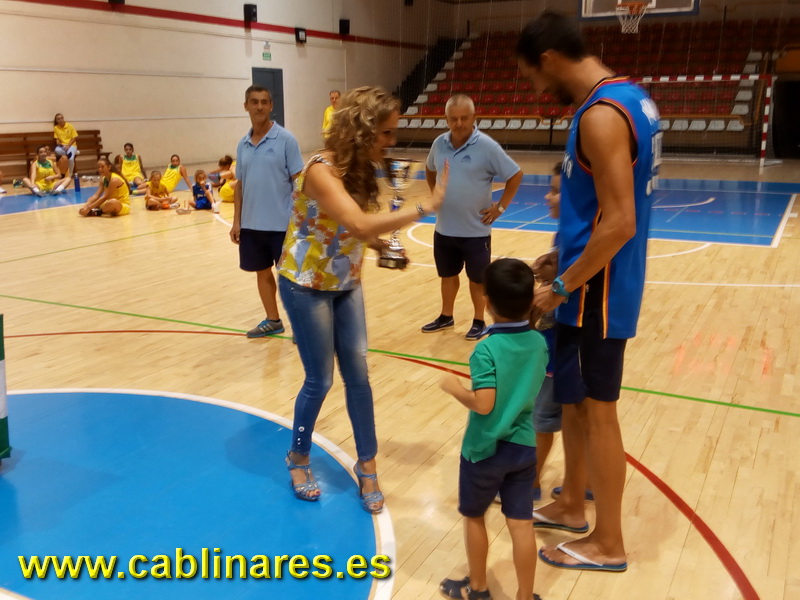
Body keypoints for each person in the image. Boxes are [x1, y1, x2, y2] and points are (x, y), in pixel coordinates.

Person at [517, 9, 660, 572]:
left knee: (599, 413)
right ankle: (574, 503)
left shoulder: (600, 116)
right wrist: (565, 254)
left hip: (596, 291)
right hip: (593, 278)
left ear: (549, 58)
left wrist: (561, 284)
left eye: (533, 76)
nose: (537, 89)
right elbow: (600, 209)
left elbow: (620, 221)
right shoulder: (631, 98)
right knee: (575, 405)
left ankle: (609, 543)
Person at [276, 86, 447, 512]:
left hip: (346, 282)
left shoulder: (359, 171)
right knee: (320, 380)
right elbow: (357, 223)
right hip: (306, 284)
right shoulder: (320, 170)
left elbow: (351, 229)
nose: (392, 141)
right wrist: (426, 207)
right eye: (386, 133)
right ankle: (298, 457)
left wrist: (379, 247)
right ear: (362, 130)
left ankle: (367, 464)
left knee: (359, 376)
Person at [438, 258, 547, 600]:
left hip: (484, 449)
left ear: (486, 301)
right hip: (524, 446)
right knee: (521, 523)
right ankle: (525, 595)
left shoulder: (486, 348)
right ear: (530, 301)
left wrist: (455, 389)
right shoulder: (539, 343)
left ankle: (478, 588)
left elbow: (483, 404)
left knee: (474, 517)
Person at [422, 94, 523, 340]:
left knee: (477, 280)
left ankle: (479, 320)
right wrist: (435, 193)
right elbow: (429, 168)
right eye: (453, 119)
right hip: (444, 228)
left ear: (474, 117)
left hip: (476, 230)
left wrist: (500, 208)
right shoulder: (438, 144)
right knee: (447, 275)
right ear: (446, 119)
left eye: (464, 118)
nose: (459, 124)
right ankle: (446, 316)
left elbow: (515, 174)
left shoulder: (487, 146)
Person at [230, 85, 304, 338]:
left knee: (291, 279)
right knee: (262, 273)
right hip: (251, 225)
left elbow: (299, 182)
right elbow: (240, 185)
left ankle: (302, 328)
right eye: (254, 102)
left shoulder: (286, 140)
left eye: (264, 102)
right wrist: (237, 221)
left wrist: (299, 220)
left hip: (283, 224)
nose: (259, 106)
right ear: (246, 106)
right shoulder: (242, 145)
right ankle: (273, 320)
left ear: (271, 106)